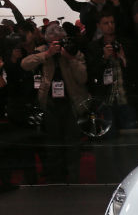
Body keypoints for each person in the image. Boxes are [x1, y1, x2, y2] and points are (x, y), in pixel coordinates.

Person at [21, 23, 88, 182]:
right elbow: (24, 64)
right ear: (48, 41)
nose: (58, 45)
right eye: (54, 42)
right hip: (49, 104)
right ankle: (56, 179)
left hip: (71, 104)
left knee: (72, 144)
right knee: (53, 144)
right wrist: (47, 54)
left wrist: (70, 58)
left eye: (60, 41)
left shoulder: (73, 52)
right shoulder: (42, 51)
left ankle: (74, 179)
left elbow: (83, 78)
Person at [85, 10, 135, 133]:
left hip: (126, 98)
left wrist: (123, 58)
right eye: (106, 23)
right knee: (108, 137)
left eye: (112, 22)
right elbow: (92, 73)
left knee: (130, 136)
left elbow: (136, 71)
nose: (110, 25)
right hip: (106, 101)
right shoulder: (94, 47)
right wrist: (104, 58)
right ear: (99, 26)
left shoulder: (126, 43)